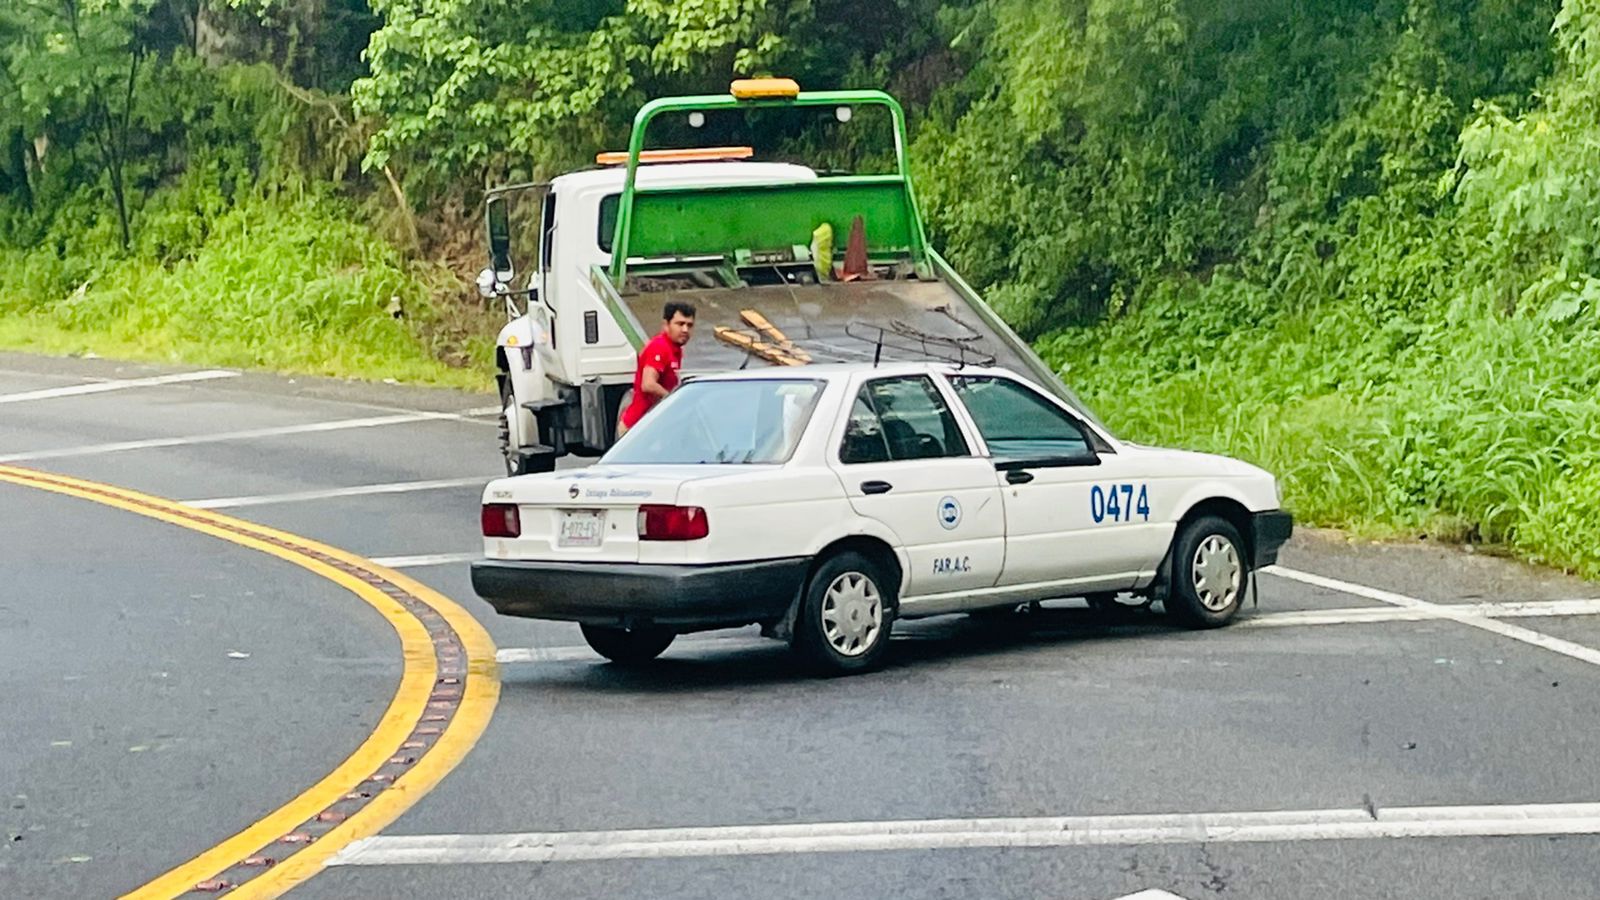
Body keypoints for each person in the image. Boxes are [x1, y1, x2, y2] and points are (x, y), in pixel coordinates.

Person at [616, 301, 695, 438]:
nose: (685, 330)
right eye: (680, 324)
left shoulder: (675, 349)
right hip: (637, 427)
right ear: (666, 325)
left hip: (652, 424)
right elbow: (648, 384)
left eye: (689, 325)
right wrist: (674, 399)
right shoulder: (660, 347)